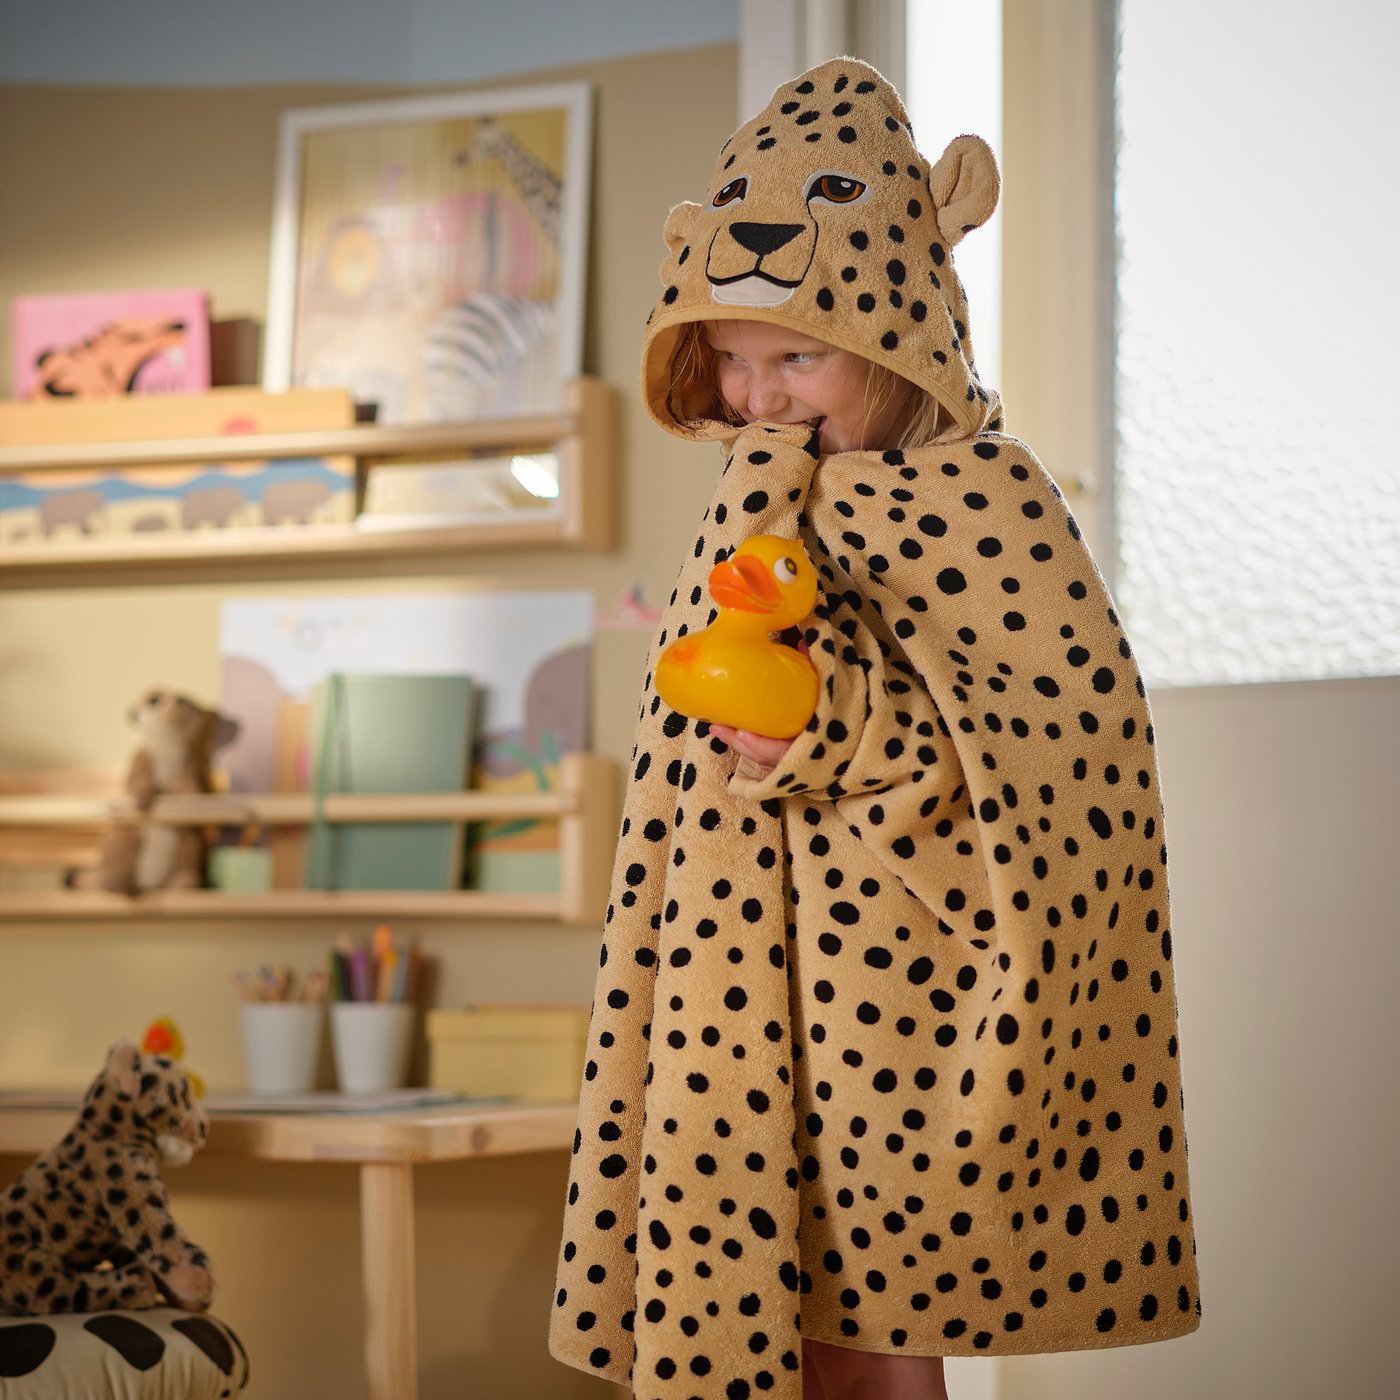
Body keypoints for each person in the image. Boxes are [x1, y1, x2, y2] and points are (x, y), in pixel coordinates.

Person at [551, 57, 1201, 1400]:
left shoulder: (983, 505)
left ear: (899, 336)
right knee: (768, 1289)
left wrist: (835, 736)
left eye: (799, 357)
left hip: (896, 986)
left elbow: (1055, 762)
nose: (765, 395)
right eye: (733, 361)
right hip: (738, 974)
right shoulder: (750, 497)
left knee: (871, 1310)